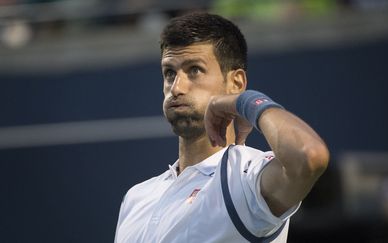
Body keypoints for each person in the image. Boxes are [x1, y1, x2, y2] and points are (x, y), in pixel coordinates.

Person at [114, 12, 329, 243]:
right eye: (169, 73)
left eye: (194, 70)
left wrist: (246, 102)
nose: (176, 87)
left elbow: (309, 156)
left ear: (236, 83)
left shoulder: (245, 176)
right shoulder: (136, 197)